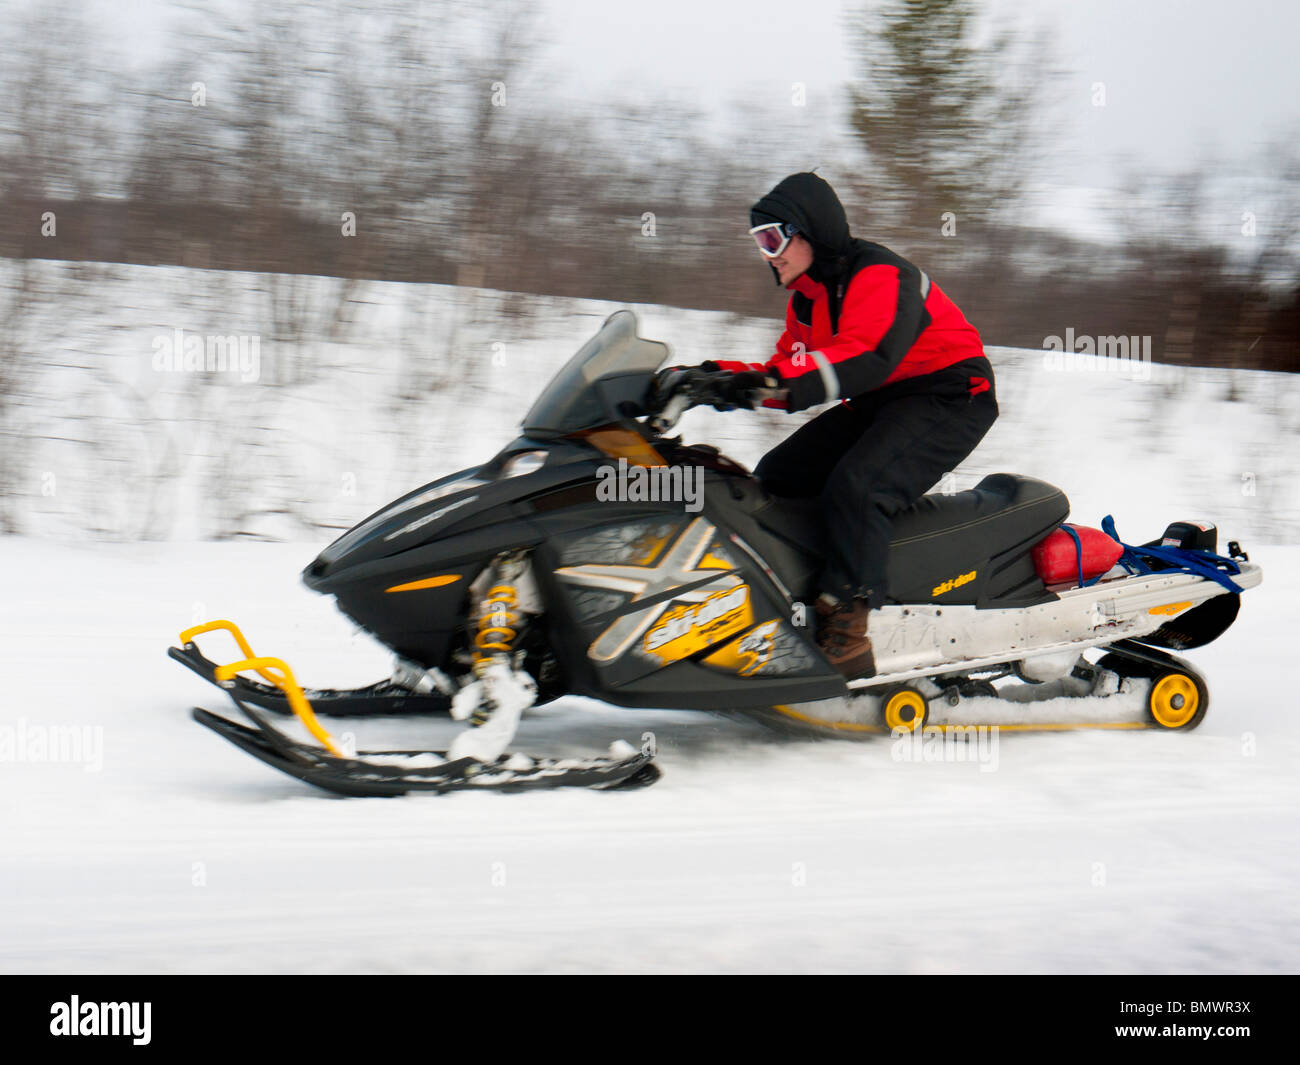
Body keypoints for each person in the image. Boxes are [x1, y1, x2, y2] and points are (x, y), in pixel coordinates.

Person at [696, 172, 998, 679]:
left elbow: (866, 358)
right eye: (759, 242)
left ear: (809, 231)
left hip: (952, 394)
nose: (768, 253)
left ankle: (847, 628)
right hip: (886, 398)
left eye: (773, 238)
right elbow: (787, 369)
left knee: (860, 486)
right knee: (780, 473)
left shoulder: (879, 275)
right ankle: (797, 587)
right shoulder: (807, 301)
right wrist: (713, 380)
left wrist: (768, 384)